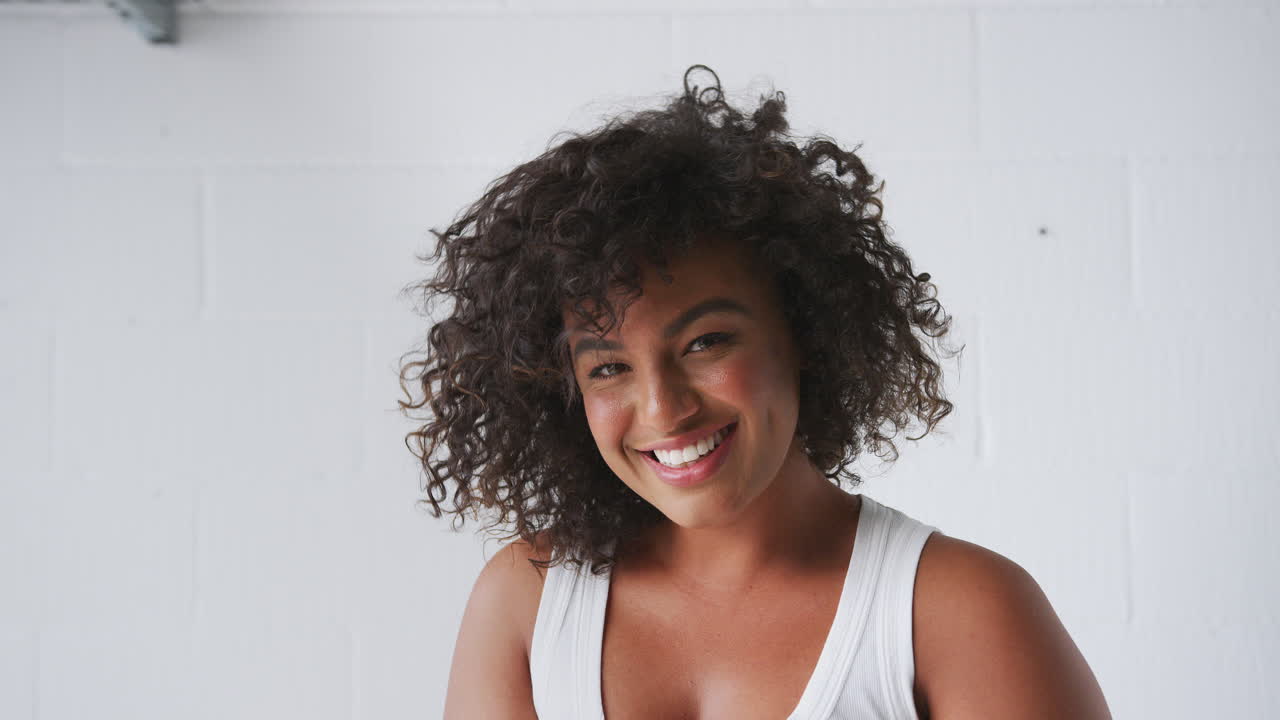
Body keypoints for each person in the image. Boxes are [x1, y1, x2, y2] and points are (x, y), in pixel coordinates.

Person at [399, 65, 1112, 719]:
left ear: (803, 329)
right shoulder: (527, 603)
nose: (663, 410)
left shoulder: (958, 612)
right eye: (609, 367)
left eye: (705, 342)